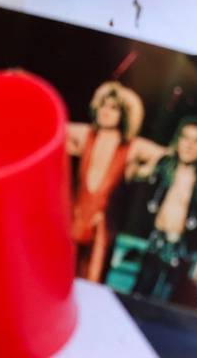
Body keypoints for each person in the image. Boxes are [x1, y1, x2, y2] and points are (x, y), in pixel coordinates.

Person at [127, 117, 197, 307]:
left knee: (165, 304)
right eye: (185, 138)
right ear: (178, 140)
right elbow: (133, 172)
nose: (189, 145)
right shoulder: (164, 165)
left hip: (181, 250)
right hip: (155, 243)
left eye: (196, 141)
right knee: (136, 299)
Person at [66, 81, 145, 280]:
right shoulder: (86, 134)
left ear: (123, 115)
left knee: (92, 280)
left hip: (102, 230)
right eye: (103, 106)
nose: (106, 112)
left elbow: (167, 153)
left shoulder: (131, 147)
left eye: (114, 108)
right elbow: (52, 122)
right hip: (73, 220)